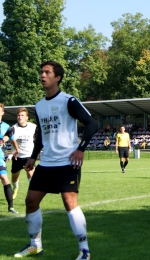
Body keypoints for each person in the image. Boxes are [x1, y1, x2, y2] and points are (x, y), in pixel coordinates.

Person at [14, 61, 96, 259]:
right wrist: (33, 157)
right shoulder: (40, 106)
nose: (43, 75)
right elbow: (42, 134)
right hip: (47, 163)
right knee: (31, 201)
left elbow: (91, 123)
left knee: (70, 203)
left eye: (47, 72)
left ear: (57, 77)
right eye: (41, 72)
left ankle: (84, 250)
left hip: (68, 162)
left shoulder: (69, 101)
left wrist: (80, 149)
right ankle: (35, 245)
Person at [11, 107, 37, 200]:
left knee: (31, 175)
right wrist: (14, 151)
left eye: (22, 115)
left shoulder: (33, 126)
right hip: (17, 157)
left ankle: (33, 195)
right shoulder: (13, 128)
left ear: (27, 117)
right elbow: (11, 140)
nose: (20, 117)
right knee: (14, 178)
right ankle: (16, 187)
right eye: (18, 115)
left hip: (29, 156)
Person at [0, 103, 19, 214]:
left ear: (2, 112)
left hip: (0, 157)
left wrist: (17, 150)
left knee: (4, 178)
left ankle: (11, 207)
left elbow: (12, 138)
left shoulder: (6, 126)